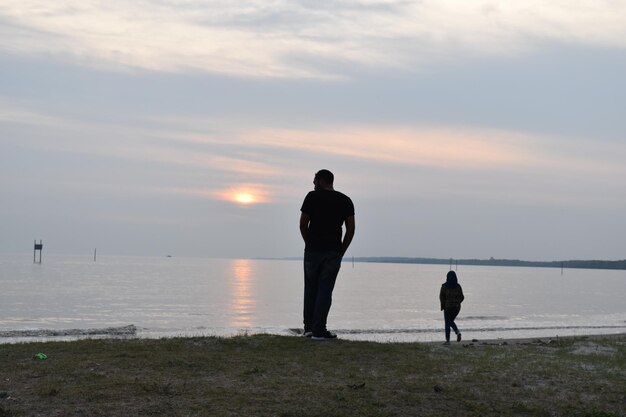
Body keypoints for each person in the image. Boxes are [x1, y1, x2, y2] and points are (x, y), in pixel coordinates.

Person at [300, 169, 355, 340]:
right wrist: (341, 251)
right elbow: (351, 229)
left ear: (322, 180)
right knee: (325, 290)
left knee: (310, 288)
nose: (313, 183)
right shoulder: (345, 200)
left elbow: (303, 224)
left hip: (313, 250)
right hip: (333, 251)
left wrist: (309, 243)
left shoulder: (312, 197)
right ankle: (319, 330)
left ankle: (309, 328)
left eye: (315, 180)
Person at [439, 270, 464, 345]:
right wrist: (457, 303)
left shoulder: (444, 286)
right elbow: (462, 297)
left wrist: (442, 306)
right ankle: (457, 332)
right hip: (456, 308)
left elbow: (441, 297)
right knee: (450, 322)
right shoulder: (458, 286)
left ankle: (448, 340)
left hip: (448, 307)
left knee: (448, 323)